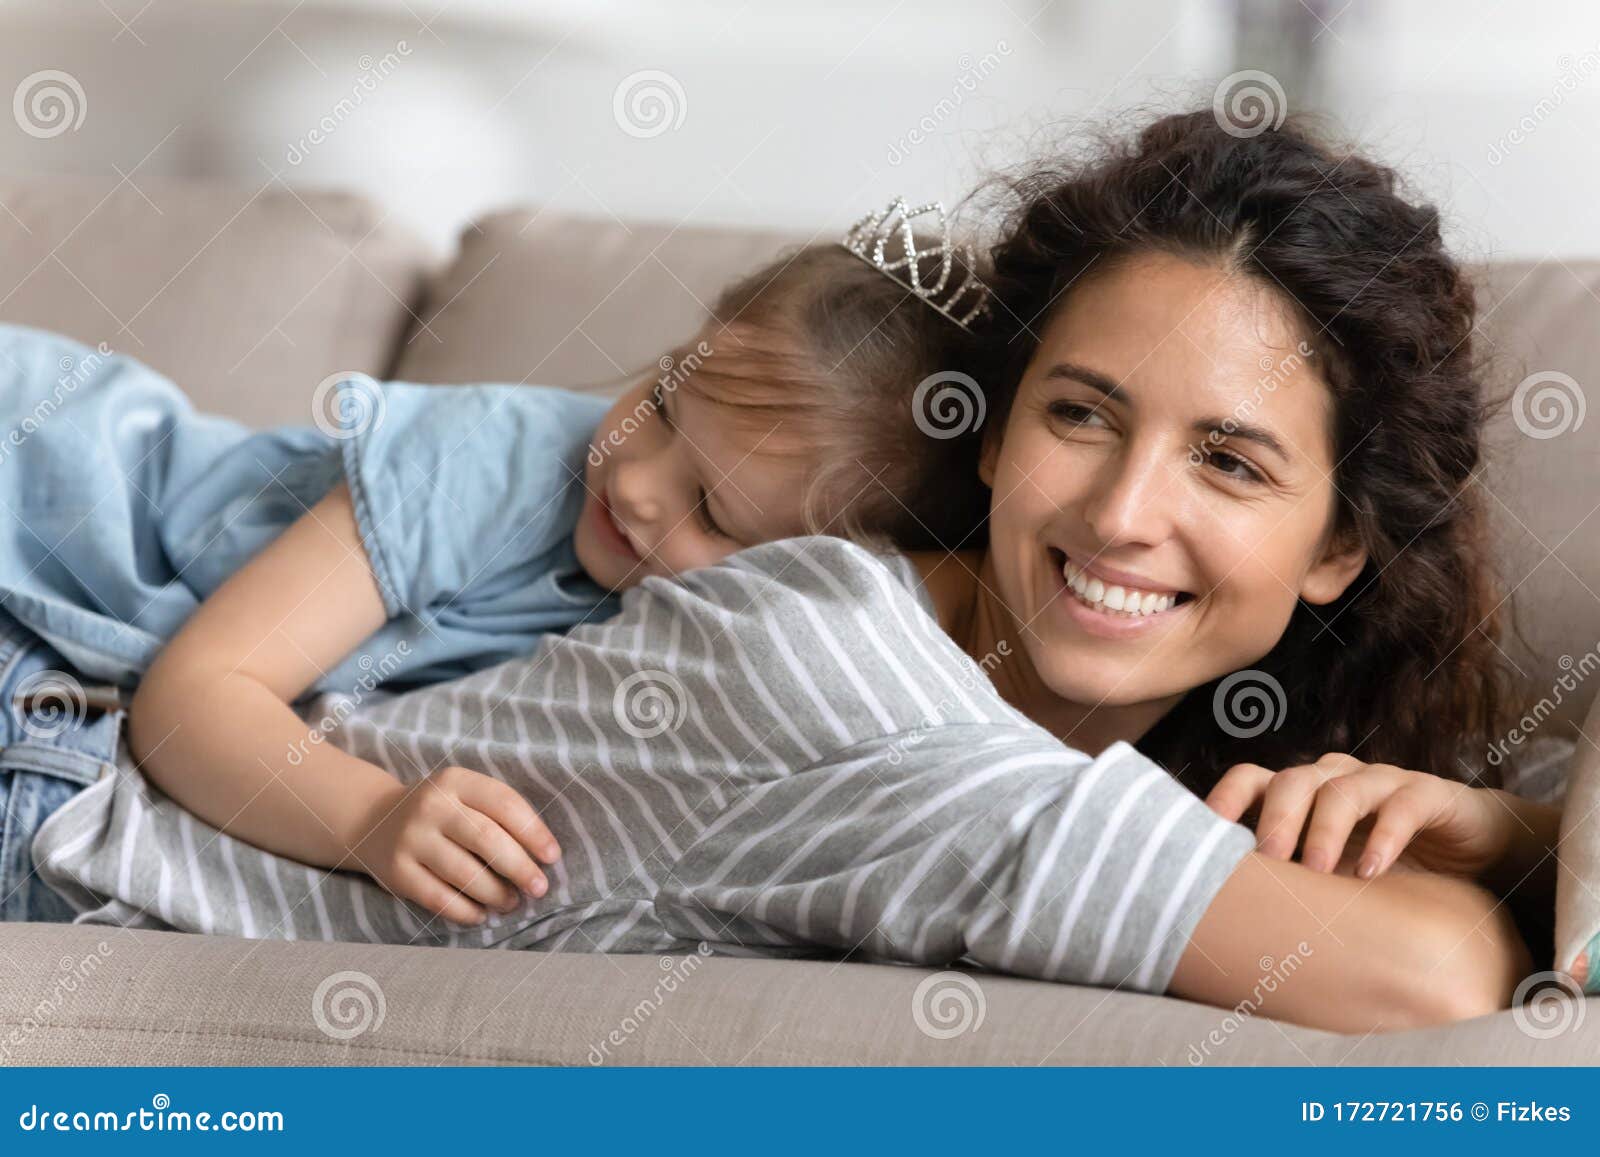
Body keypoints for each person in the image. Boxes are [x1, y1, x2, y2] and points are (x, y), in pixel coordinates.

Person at [14, 110, 1551, 1035]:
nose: (1125, 512)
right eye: (1081, 414)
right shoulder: (851, 681)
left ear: (1341, 547)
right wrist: (1521, 847)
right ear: (997, 435)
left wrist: (1489, 808)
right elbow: (1423, 981)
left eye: (1229, 461)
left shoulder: (984, 692)